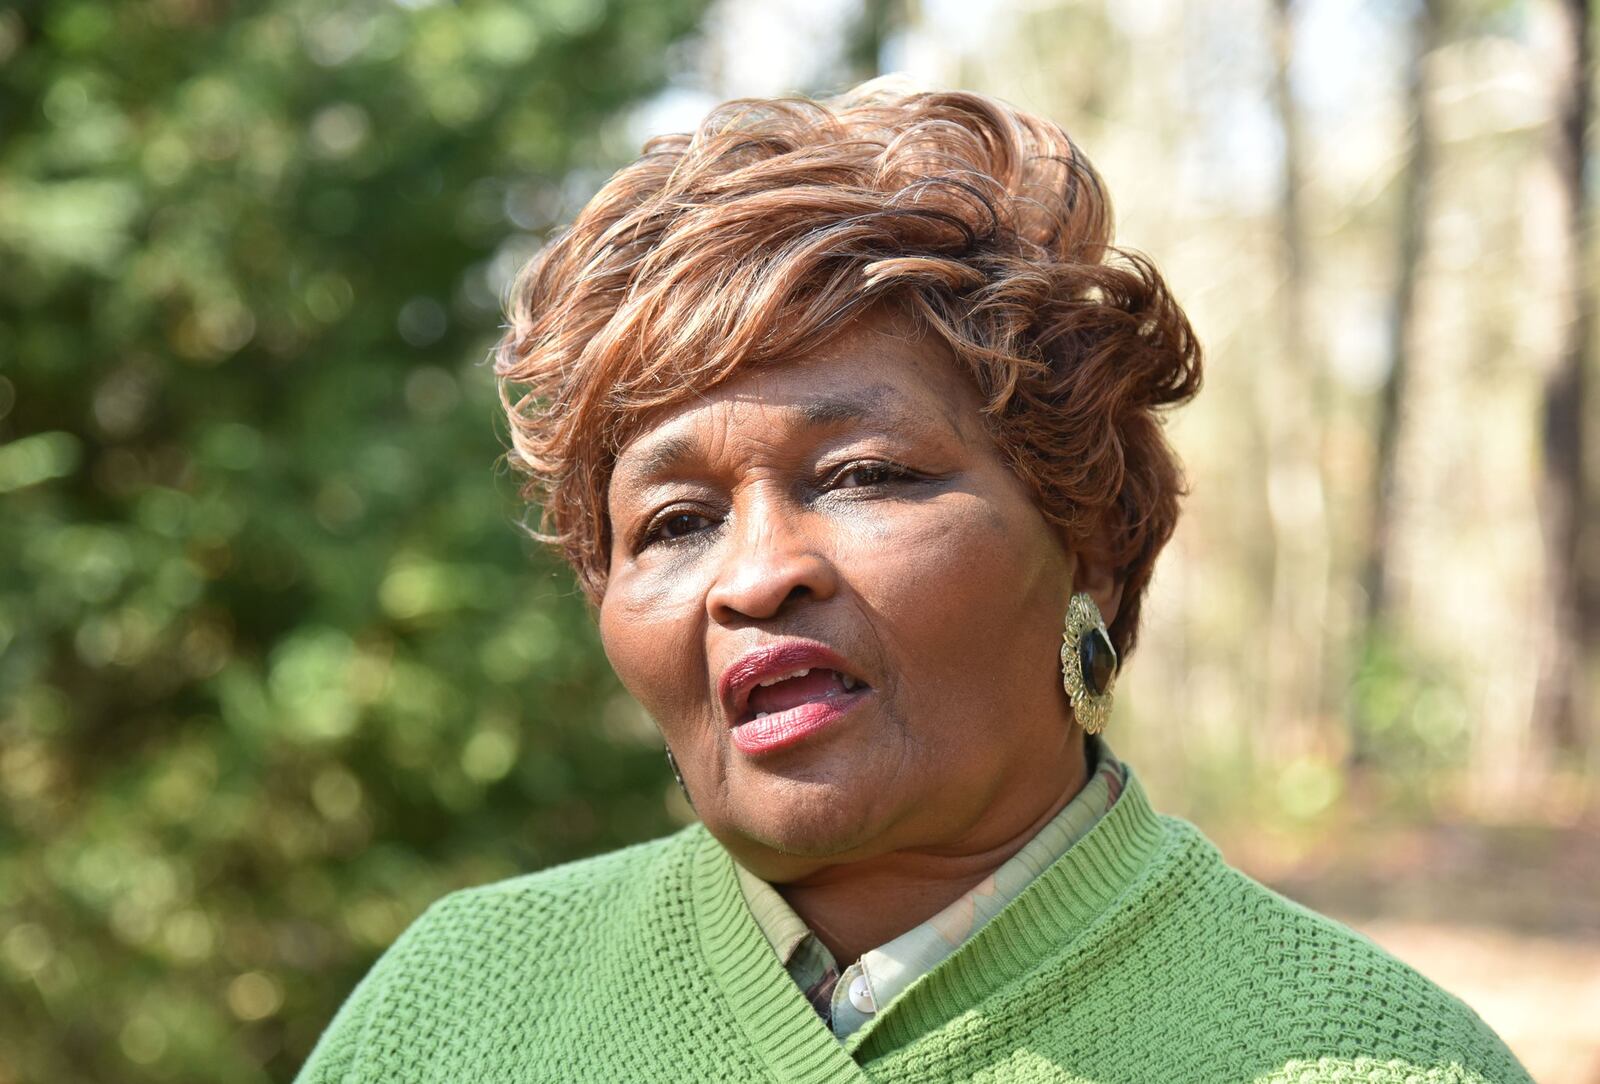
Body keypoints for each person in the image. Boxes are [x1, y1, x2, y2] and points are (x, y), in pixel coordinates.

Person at [295, 83, 1531, 1083]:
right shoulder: (455, 1011)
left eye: (866, 475)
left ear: (1086, 536)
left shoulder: (1372, 1059)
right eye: (674, 521)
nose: (758, 575)